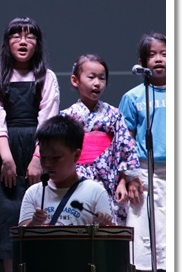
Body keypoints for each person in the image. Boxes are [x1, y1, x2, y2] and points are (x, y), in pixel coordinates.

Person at [0, 17, 60, 272]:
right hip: (4, 150)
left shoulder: (47, 77)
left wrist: (37, 157)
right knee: (7, 218)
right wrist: (7, 159)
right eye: (17, 36)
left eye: (30, 37)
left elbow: (48, 119)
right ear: (7, 43)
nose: (23, 41)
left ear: (38, 44)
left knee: (39, 214)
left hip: (38, 150)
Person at [60, 54, 141, 225]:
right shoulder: (67, 116)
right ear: (75, 80)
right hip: (76, 179)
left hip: (109, 181)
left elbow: (125, 148)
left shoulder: (114, 115)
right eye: (91, 77)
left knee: (108, 225)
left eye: (102, 78)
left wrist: (123, 182)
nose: (97, 83)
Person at [118, 32, 167, 272]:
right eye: (152, 54)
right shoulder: (133, 97)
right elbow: (124, 142)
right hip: (145, 174)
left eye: (165, 54)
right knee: (145, 237)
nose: (159, 59)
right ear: (142, 62)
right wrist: (129, 177)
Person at [19, 114, 113, 227]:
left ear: (76, 155)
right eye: (43, 157)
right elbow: (21, 234)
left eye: (55, 158)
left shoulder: (96, 192)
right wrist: (33, 223)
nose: (48, 164)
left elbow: (109, 235)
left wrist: (104, 224)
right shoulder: (33, 193)